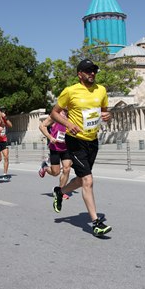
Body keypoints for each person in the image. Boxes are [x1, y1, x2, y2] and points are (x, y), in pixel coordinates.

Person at [50, 59, 112, 237]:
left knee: (81, 179)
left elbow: (104, 111)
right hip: (75, 141)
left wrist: (108, 116)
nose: (92, 73)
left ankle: (60, 192)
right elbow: (54, 113)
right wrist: (68, 124)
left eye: (94, 70)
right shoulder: (70, 91)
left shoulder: (101, 90)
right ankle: (96, 223)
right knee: (88, 180)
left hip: (92, 141)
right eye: (88, 71)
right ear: (80, 74)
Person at [38, 109, 72, 198]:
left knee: (67, 169)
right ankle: (45, 167)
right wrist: (50, 137)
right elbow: (42, 126)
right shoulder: (56, 115)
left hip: (67, 147)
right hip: (55, 148)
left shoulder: (73, 115)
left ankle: (60, 191)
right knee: (56, 172)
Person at [0, 107, 13, 179]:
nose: (1, 114)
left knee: (6, 157)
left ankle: (5, 174)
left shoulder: (4, 119)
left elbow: (11, 125)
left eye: (1, 112)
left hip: (4, 140)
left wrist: (6, 118)